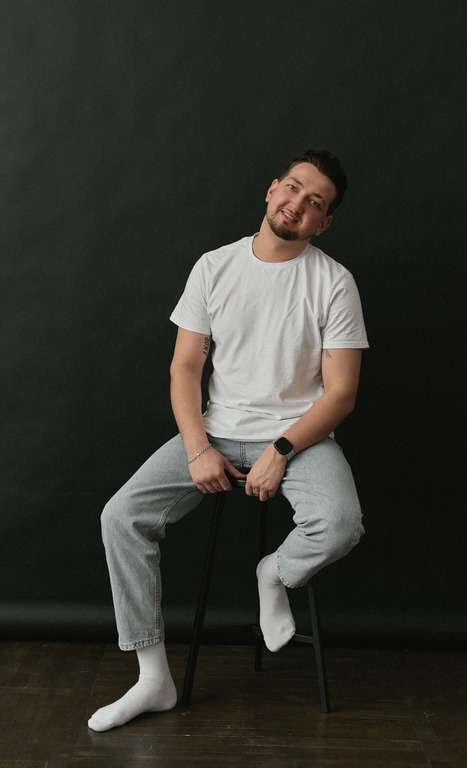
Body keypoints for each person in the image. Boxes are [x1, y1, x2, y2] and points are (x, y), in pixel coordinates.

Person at [88, 149, 369, 732]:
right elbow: (185, 368)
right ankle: (152, 678)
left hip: (300, 440)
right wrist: (197, 448)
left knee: (340, 523)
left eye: (315, 202)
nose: (298, 204)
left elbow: (339, 394)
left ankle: (274, 574)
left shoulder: (334, 283)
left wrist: (282, 451)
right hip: (215, 431)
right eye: (293, 189)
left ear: (324, 222)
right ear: (271, 191)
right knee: (121, 517)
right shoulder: (214, 266)